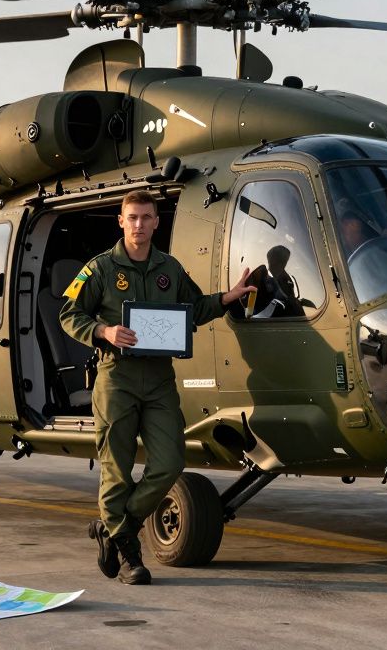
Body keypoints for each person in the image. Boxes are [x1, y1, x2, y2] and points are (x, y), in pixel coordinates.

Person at [58, 190, 255, 585]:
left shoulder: (170, 268)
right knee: (117, 466)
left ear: (156, 222)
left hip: (160, 379)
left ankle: (115, 527)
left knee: (169, 462)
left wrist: (227, 298)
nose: (139, 225)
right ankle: (131, 557)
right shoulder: (99, 269)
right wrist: (103, 330)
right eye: (132, 217)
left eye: (146, 217)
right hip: (117, 377)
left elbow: (194, 308)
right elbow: (68, 313)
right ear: (120, 221)